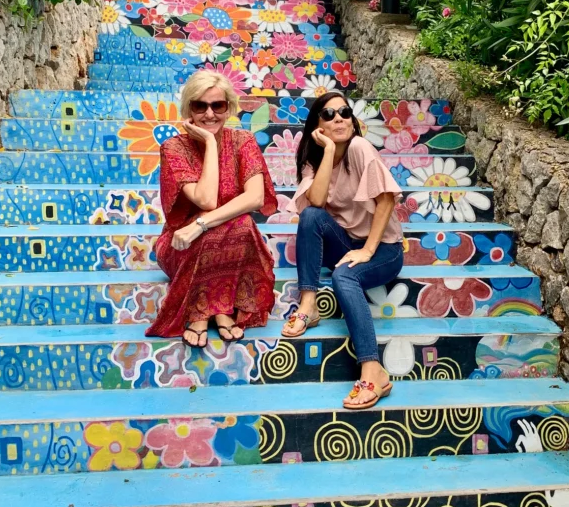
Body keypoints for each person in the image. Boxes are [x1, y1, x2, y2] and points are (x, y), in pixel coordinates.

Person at [282, 92, 404, 410]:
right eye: (329, 114)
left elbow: (386, 199)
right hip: (346, 242)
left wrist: (368, 250)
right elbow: (316, 201)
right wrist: (327, 151)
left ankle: (373, 370)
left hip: (384, 249)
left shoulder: (360, 147)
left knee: (344, 277)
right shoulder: (314, 159)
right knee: (311, 216)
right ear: (317, 125)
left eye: (345, 112)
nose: (339, 118)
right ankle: (309, 304)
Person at [146, 70, 278, 347]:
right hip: (182, 244)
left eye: (217, 105)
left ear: (228, 108)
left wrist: (201, 225)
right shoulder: (174, 148)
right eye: (200, 106)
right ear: (189, 109)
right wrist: (209, 142)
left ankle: (209, 309)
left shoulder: (243, 141)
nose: (209, 114)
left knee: (243, 223)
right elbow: (206, 200)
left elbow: (255, 198)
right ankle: (214, 309)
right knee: (235, 224)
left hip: (213, 237)